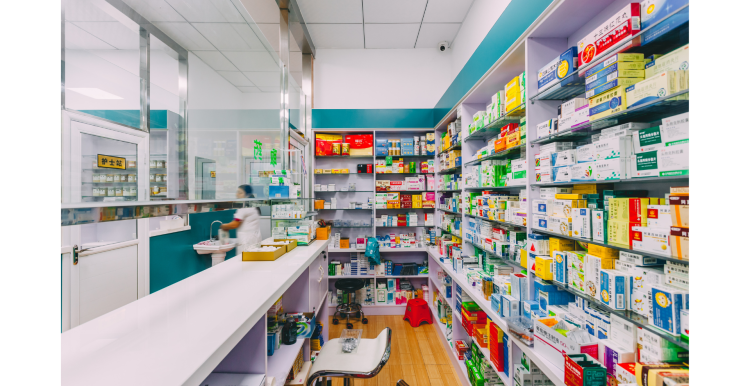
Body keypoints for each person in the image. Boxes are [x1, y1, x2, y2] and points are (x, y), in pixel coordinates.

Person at [220, 185, 261, 253]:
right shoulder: (253, 205)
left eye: (240, 192)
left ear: (247, 194)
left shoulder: (244, 207)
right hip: (254, 239)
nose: (237, 194)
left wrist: (223, 226)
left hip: (246, 241)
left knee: (245, 261)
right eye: (237, 192)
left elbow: (235, 224)